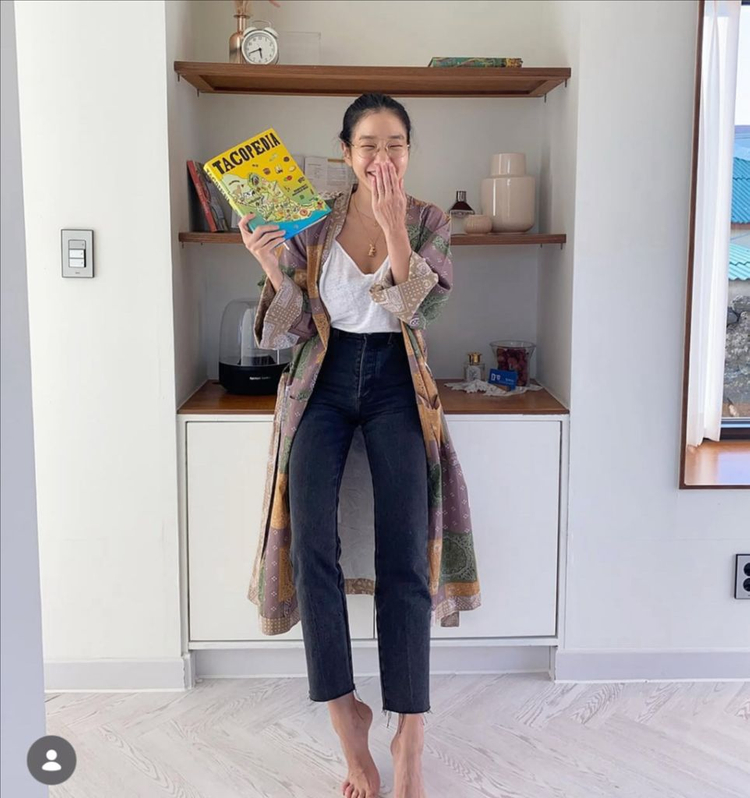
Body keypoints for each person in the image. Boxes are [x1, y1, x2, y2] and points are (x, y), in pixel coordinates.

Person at [240, 94, 443, 798]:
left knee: (404, 552)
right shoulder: (314, 220)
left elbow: (419, 310)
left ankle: (410, 732)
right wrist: (274, 269)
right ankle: (345, 717)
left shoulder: (430, 221)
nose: (383, 158)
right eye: (369, 145)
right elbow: (295, 329)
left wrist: (393, 229)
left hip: (396, 382)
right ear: (347, 152)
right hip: (322, 383)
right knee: (311, 550)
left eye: (395, 145)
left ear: (409, 151)